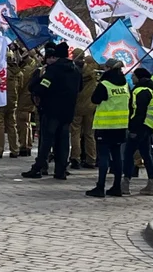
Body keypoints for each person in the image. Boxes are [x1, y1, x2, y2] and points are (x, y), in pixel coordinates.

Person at [23, 42, 82, 180]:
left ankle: (38, 168)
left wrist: (37, 89)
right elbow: (79, 88)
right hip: (68, 111)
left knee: (46, 141)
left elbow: (44, 86)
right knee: (63, 141)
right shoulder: (76, 70)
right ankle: (60, 170)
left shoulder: (53, 69)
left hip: (52, 110)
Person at [86, 58, 130, 198]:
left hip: (105, 126)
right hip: (121, 126)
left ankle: (100, 186)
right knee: (117, 156)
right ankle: (117, 186)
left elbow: (95, 99)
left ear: (109, 69)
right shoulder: (125, 84)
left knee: (104, 156)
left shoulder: (105, 84)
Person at [121, 67, 153, 196]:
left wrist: (133, 129)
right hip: (147, 126)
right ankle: (151, 184)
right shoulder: (148, 90)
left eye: (134, 76)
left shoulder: (139, 91)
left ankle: (125, 184)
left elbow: (138, 112)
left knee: (128, 154)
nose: (132, 78)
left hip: (140, 127)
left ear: (139, 77)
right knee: (146, 154)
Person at [69, 49, 99, 170]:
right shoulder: (92, 73)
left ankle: (75, 157)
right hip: (90, 106)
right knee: (89, 134)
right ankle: (91, 159)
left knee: (75, 133)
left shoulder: (73, 71)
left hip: (76, 106)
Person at [0, 45, 20, 159]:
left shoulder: (1, 71)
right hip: (13, 101)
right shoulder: (17, 72)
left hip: (0, 100)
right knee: (12, 125)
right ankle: (15, 149)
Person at [15, 57, 41, 158]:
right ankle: (28, 145)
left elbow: (19, 86)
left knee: (22, 123)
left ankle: (24, 146)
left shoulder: (24, 71)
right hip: (29, 99)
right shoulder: (33, 68)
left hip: (23, 99)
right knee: (28, 123)